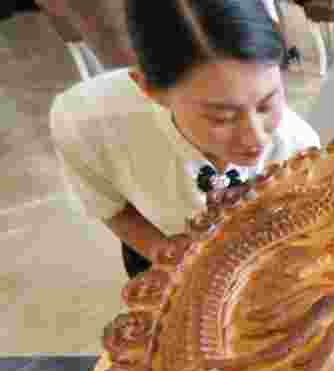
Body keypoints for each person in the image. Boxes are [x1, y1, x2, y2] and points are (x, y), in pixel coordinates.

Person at [50, 0, 320, 278]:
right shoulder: (86, 125)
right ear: (149, 89)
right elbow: (109, 205)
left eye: (267, 104)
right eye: (222, 118)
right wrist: (159, 249)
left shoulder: (298, 148)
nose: (256, 137)